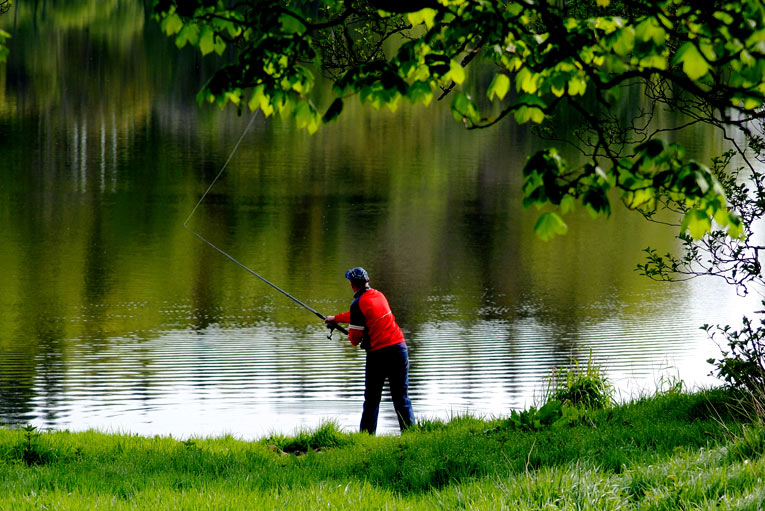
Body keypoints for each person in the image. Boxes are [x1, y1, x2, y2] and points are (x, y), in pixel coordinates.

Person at [325, 267, 415, 434]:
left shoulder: (357, 304)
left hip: (379, 355)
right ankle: (411, 434)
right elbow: (362, 314)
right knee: (401, 398)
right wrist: (335, 319)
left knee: (372, 400)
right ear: (367, 281)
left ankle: (366, 437)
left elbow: (354, 339)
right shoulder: (378, 295)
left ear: (352, 285)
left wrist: (346, 331)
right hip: (399, 348)